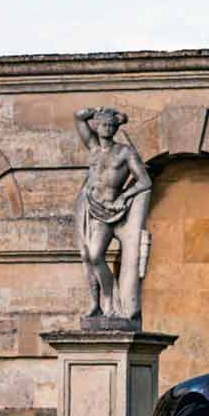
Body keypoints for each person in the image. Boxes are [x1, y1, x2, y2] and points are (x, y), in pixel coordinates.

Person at [74, 106, 152, 321]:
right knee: (86, 257)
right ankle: (95, 304)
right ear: (97, 127)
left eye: (110, 125)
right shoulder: (93, 147)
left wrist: (123, 197)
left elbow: (145, 181)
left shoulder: (125, 152)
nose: (106, 129)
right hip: (88, 205)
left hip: (110, 209)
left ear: (116, 127)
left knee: (96, 255)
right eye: (102, 125)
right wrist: (92, 111)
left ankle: (110, 300)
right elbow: (78, 119)